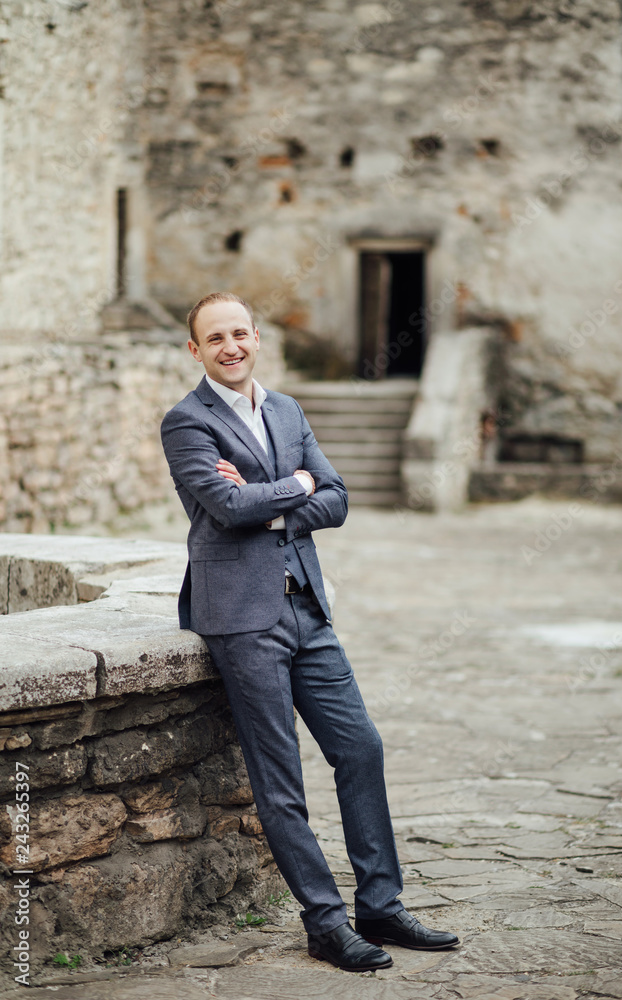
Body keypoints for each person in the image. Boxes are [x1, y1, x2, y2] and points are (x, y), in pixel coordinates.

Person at [160, 291, 459, 972]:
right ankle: (325, 923)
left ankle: (379, 906)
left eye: (240, 333)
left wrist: (277, 500)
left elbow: (337, 498)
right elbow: (226, 505)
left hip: (308, 612)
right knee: (280, 777)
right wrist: (295, 486)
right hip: (239, 619)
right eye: (215, 339)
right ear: (195, 350)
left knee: (360, 749)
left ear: (256, 338)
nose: (230, 347)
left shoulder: (288, 410)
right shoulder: (185, 423)